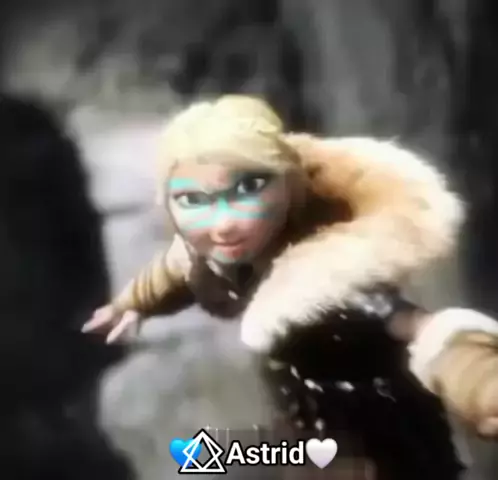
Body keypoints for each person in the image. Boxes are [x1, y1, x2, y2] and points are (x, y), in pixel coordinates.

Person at [83, 95, 498, 478]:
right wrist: (133, 305)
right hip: (310, 443)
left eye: (247, 189)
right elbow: (174, 270)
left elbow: (422, 328)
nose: (222, 223)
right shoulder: (217, 252)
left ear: (289, 186)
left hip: (384, 447)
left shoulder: (332, 283)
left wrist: (478, 380)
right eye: (193, 200)